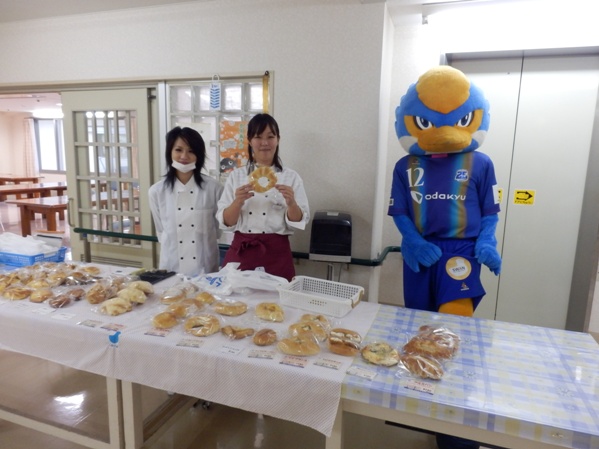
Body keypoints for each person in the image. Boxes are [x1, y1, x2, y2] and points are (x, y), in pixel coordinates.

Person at [216, 113, 309, 281]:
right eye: (258, 137)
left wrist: (291, 203)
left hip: (277, 254)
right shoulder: (237, 176)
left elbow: (298, 221)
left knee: (278, 297)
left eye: (270, 137)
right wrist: (237, 202)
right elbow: (227, 222)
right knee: (235, 294)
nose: (265, 143)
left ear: (278, 139)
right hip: (242, 251)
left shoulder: (291, 177)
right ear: (250, 140)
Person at [149, 126, 223, 278]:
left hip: (206, 269)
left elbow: (218, 230)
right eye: (178, 150)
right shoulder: (156, 191)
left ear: (199, 155)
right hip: (171, 267)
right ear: (169, 152)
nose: (184, 156)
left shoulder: (214, 188)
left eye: (191, 151)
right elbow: (161, 231)